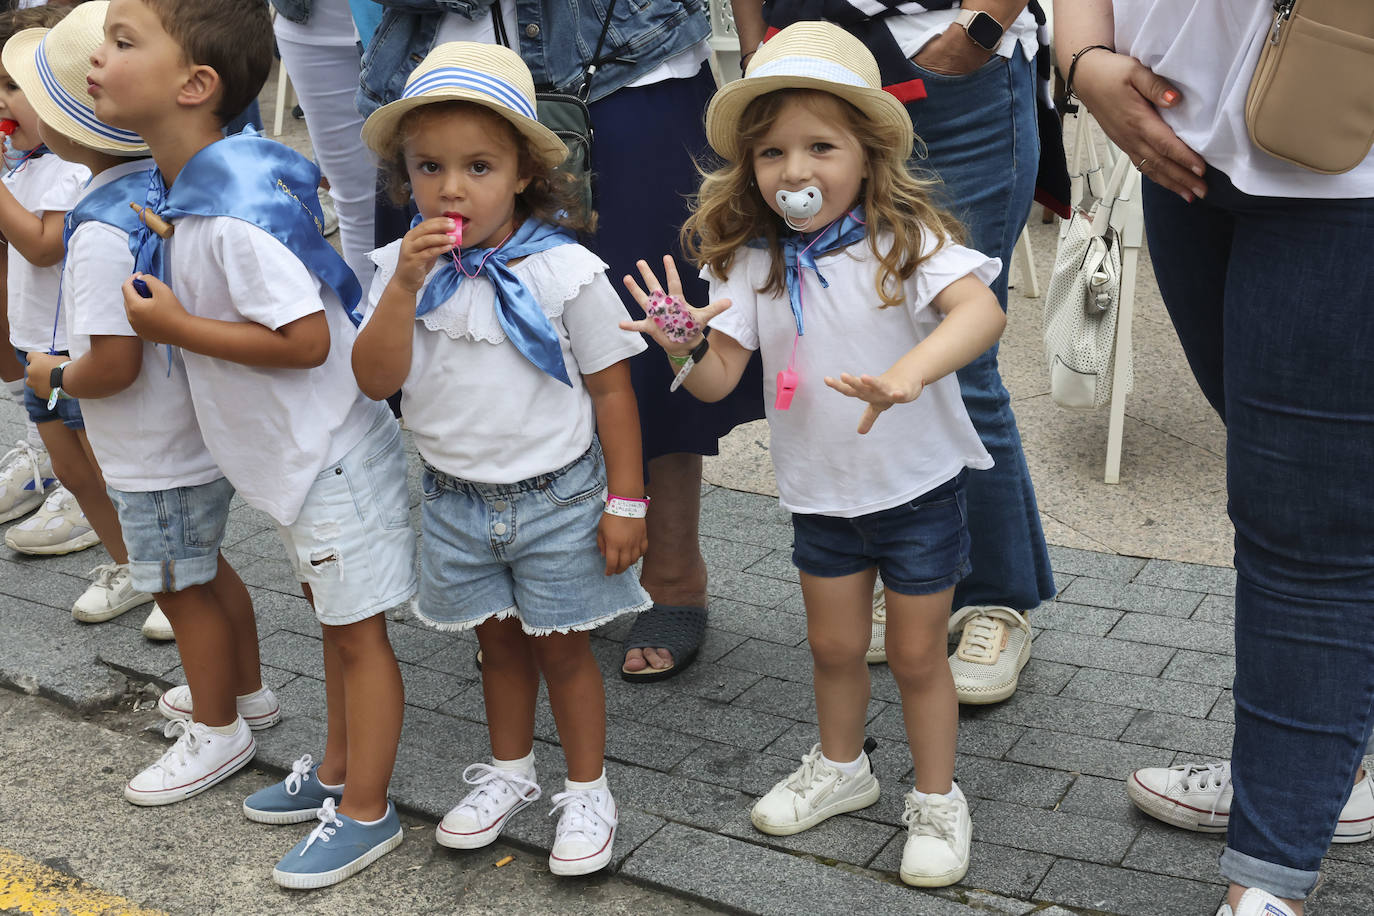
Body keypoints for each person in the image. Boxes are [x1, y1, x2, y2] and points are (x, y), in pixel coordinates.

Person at [625, 23, 1006, 887]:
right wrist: (682, 342)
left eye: (820, 147)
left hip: (915, 493)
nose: (794, 171)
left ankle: (940, 800)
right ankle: (844, 768)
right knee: (832, 649)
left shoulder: (907, 239)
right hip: (820, 497)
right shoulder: (752, 261)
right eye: (772, 153)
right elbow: (721, 380)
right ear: (748, 167)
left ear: (868, 155)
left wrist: (909, 375)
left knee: (915, 657)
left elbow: (981, 313)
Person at [1055, 2, 1374, 914]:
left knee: (1305, 539)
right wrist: (1082, 60)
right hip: (1178, 133)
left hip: (1347, 168)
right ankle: (1313, 766)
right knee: (1293, 502)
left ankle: (1269, 875)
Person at [89, 0, 416, 887]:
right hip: (299, 464)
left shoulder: (227, 212)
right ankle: (342, 769)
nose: (97, 56)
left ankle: (366, 811)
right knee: (332, 620)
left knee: (357, 637)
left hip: (327, 459)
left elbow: (305, 339)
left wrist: (181, 324)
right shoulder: (205, 193)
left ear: (195, 85)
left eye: (123, 42)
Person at [358, 0, 764, 682]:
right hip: (438, 70)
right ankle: (508, 552)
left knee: (644, 326)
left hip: (626, 58)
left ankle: (671, 570)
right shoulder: (436, 170)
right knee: (456, 337)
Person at [353, 42, 651, 877]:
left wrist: (627, 501)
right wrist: (403, 290)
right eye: (429, 167)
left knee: (562, 648)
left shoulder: (564, 272)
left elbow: (614, 393)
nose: (452, 188)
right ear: (405, 176)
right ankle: (513, 773)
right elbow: (376, 380)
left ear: (523, 171)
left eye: (479, 165)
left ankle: (589, 788)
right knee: (496, 647)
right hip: (453, 501)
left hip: (559, 498)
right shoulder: (397, 272)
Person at [730, 0, 1060, 703]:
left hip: (944, 63)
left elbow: (979, 316)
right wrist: (758, 44)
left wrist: (970, 37)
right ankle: (911, 582)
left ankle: (994, 600)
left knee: (956, 358)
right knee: (852, 328)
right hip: (806, 58)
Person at [12, 1, 279, 772]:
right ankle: (248, 692)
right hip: (186, 436)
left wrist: (51, 373)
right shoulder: (149, 192)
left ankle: (219, 731)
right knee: (209, 570)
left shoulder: (97, 228)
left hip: (148, 452)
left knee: (178, 588)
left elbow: (113, 365)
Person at [0, 5, 161, 631]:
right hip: (37, 341)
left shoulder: (72, 169)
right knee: (71, 470)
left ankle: (163, 575)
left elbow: (42, 245)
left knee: (108, 470)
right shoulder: (27, 167)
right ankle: (128, 568)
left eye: (18, 88)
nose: (4, 99)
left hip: (77, 350)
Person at [269, 0, 376, 286]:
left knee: (443, 190)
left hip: (423, 14)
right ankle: (365, 317)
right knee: (353, 200)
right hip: (311, 20)